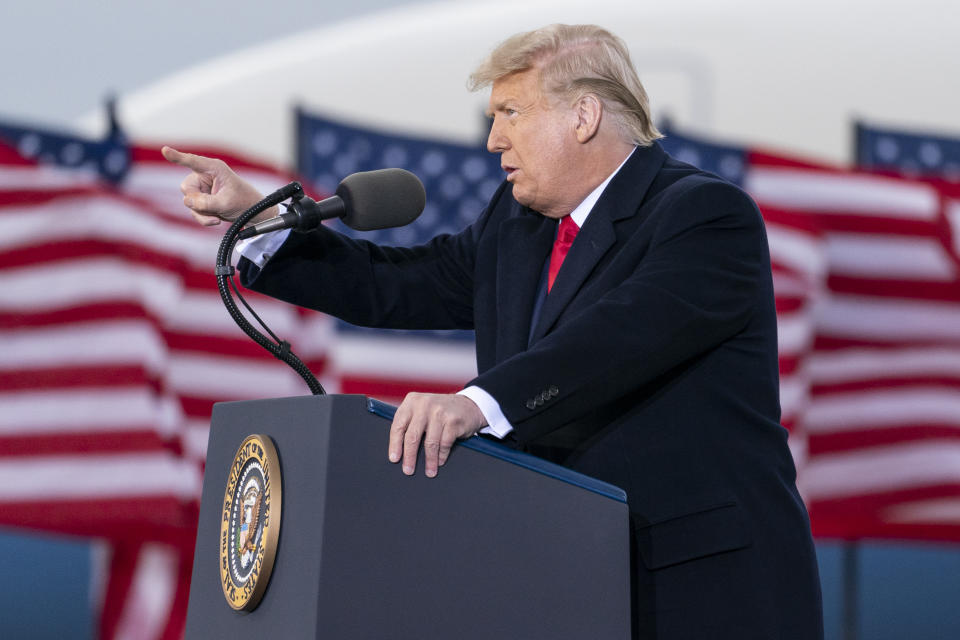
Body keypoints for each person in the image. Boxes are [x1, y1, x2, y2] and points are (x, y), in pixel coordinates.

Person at [164, 23, 823, 639]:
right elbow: (400, 283)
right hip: (568, 583)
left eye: (512, 113)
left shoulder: (704, 215)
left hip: (702, 588)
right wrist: (255, 221)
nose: (492, 141)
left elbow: (618, 337)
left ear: (584, 115)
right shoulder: (518, 225)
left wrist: (476, 404)